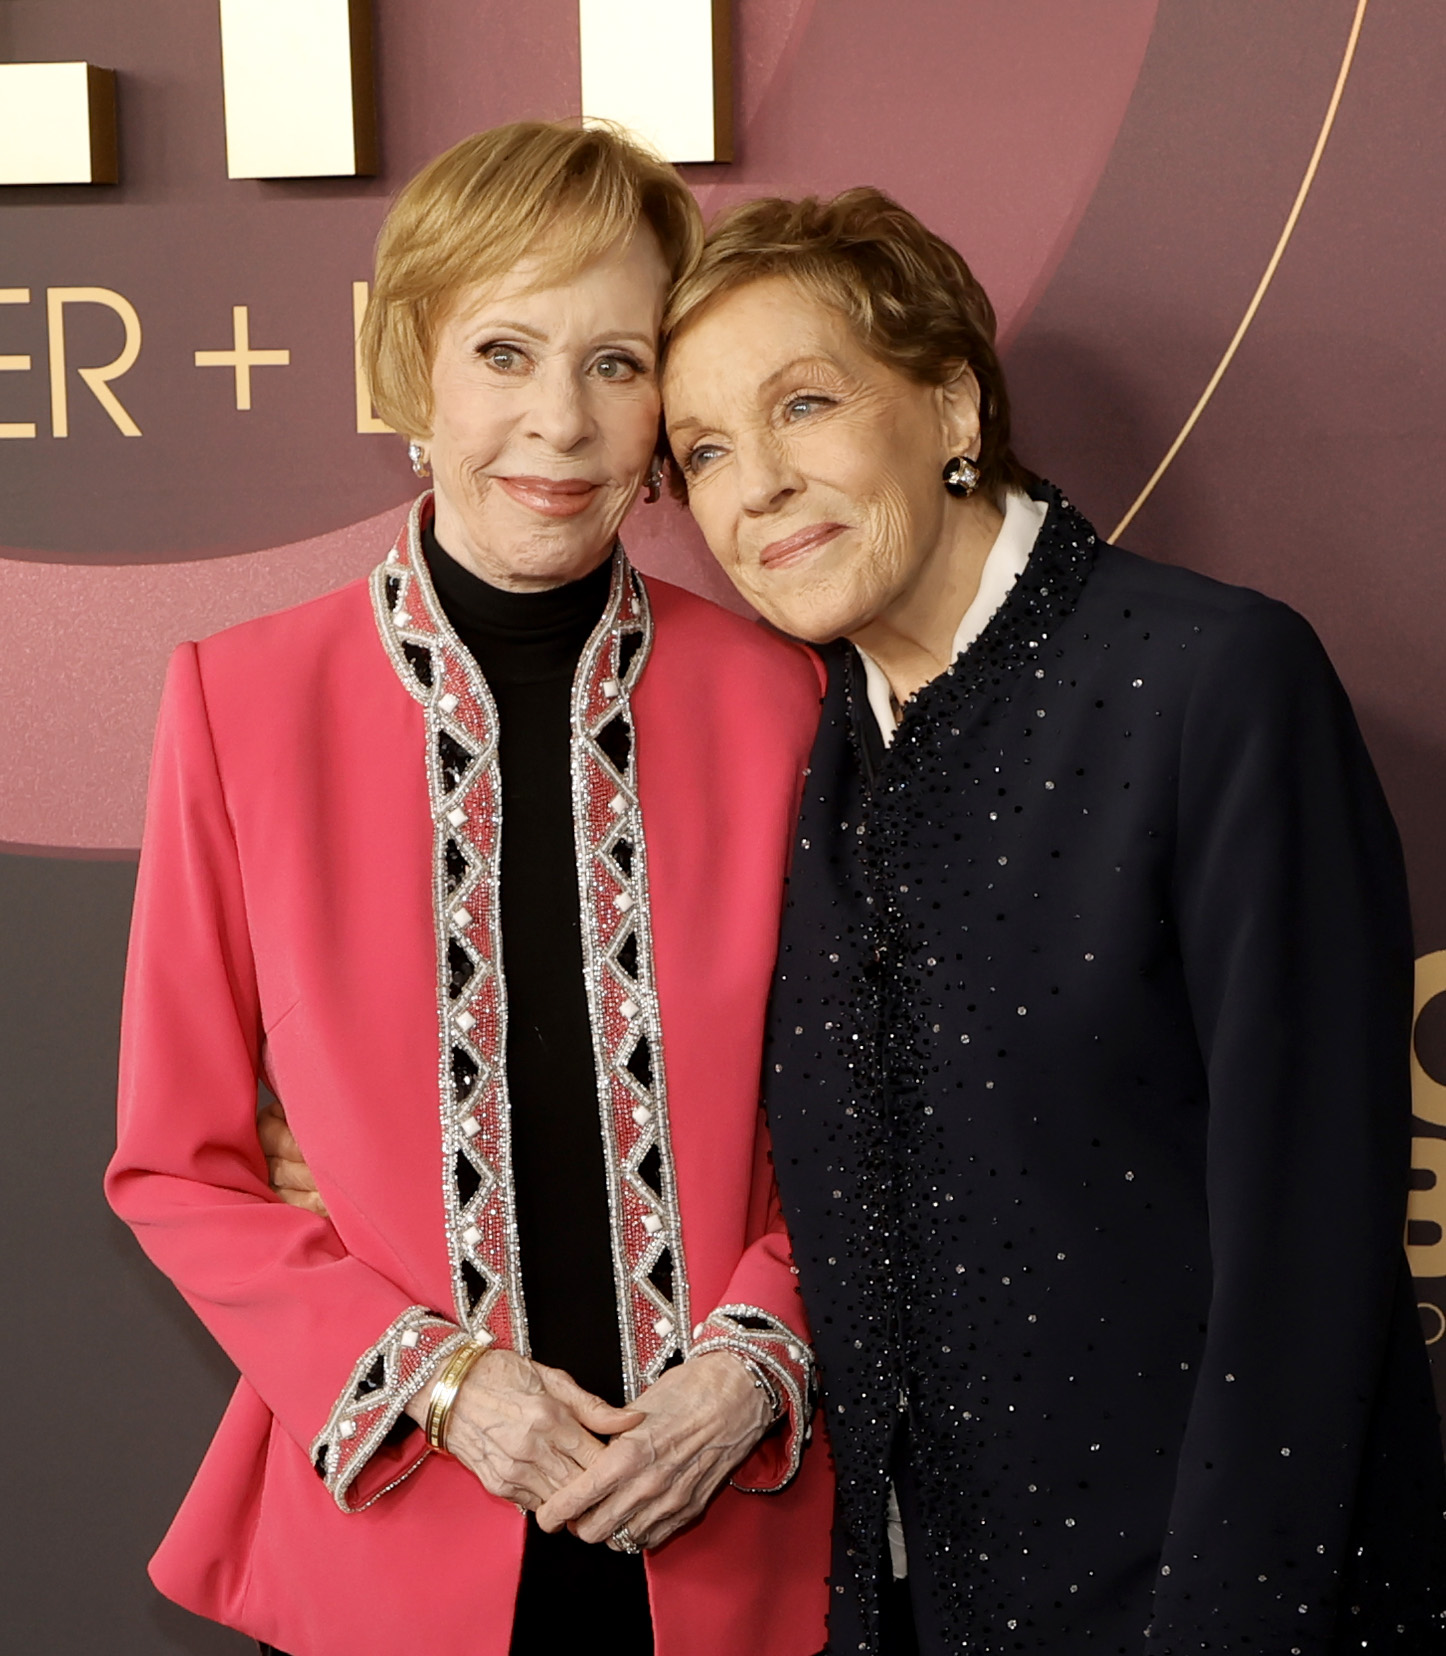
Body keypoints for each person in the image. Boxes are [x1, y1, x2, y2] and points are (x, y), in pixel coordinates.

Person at [637, 188, 1446, 1653]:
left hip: (1212, 1608)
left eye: (802, 404)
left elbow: (1307, 1246)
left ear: (949, 401)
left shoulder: (1211, 684)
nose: (752, 485)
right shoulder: (821, 751)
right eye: (702, 452)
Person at [105, 123, 832, 1656]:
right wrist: (443, 1382)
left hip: (731, 1526)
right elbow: (177, 1167)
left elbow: (867, 1123)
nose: (557, 426)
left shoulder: (787, 703)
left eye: (617, 362)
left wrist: (747, 1372)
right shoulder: (241, 702)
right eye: (503, 351)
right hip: (394, 1528)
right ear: (407, 375)